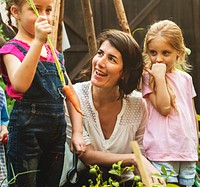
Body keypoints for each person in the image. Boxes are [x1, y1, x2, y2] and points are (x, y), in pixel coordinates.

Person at [60, 29, 166, 187]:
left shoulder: (139, 105)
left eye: (112, 59)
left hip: (125, 182)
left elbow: (143, 158)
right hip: (85, 181)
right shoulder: (75, 98)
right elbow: (86, 155)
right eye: (100, 53)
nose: (100, 62)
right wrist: (133, 159)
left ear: (124, 72)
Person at [0, 0, 86, 186]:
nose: (44, 16)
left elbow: (70, 94)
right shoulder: (12, 49)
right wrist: (38, 41)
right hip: (26, 133)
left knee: (51, 181)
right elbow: (20, 84)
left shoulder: (53, 53)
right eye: (36, 9)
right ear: (16, 12)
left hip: (56, 133)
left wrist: (78, 132)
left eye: (48, 10)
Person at [142, 19, 198, 187]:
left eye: (165, 53)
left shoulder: (186, 79)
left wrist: (194, 147)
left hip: (186, 151)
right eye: (153, 53)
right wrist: (159, 77)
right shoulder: (148, 78)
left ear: (178, 53)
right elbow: (164, 108)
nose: (158, 59)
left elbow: (192, 115)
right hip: (162, 152)